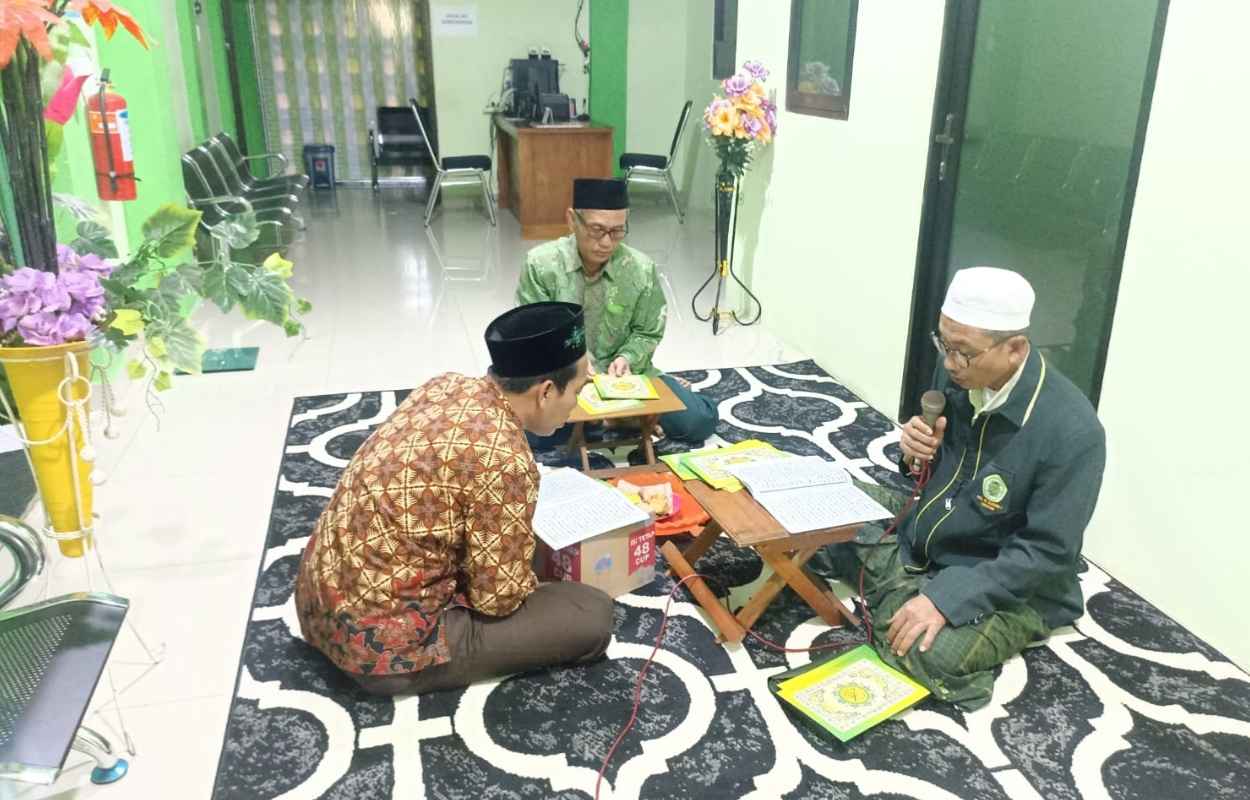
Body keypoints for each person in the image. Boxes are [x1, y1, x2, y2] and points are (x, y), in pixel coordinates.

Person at [816, 267, 1106, 710]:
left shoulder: (1072, 431)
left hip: (1003, 578)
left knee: (923, 651)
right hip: (930, 530)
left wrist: (949, 599)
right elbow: (934, 478)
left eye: (964, 353)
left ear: (1015, 349)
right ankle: (899, 591)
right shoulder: (959, 372)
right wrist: (914, 453)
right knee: (814, 503)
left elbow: (1046, 554)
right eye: (944, 345)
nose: (950, 363)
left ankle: (900, 594)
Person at [294, 302, 614, 695]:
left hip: (317, 605)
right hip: (383, 652)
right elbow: (497, 601)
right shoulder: (505, 459)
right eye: (579, 390)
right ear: (546, 391)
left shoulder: (445, 384)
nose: (578, 405)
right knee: (592, 615)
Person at [516, 177, 718, 447]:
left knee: (698, 421)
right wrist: (574, 366)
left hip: (626, 380)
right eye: (597, 230)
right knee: (526, 431)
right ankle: (623, 421)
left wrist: (627, 357)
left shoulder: (640, 268)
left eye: (617, 231)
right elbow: (534, 335)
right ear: (572, 220)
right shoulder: (541, 265)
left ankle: (611, 420)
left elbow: (647, 332)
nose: (607, 242)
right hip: (561, 382)